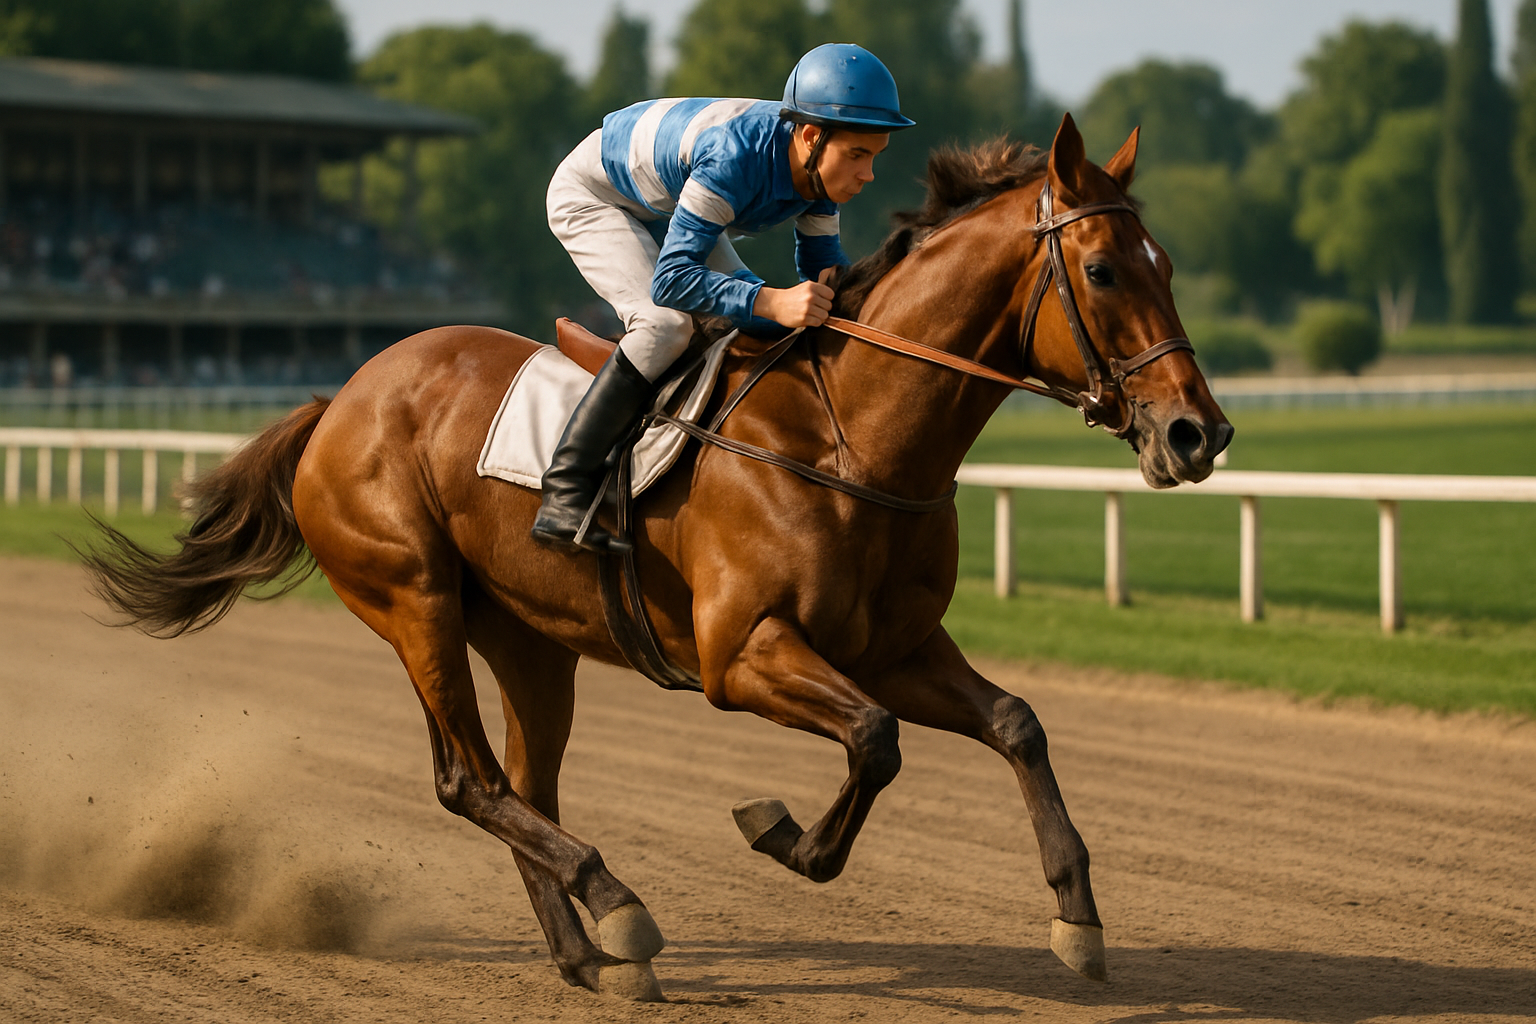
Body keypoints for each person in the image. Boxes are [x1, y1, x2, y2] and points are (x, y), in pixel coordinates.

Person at [532, 42, 915, 554]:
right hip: (596, 196)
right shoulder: (734, 157)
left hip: (668, 202)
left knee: (757, 317)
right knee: (665, 325)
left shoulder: (820, 173)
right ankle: (565, 490)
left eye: (875, 157)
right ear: (809, 135)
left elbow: (823, 270)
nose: (868, 175)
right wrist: (773, 302)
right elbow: (671, 281)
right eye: (858, 155)